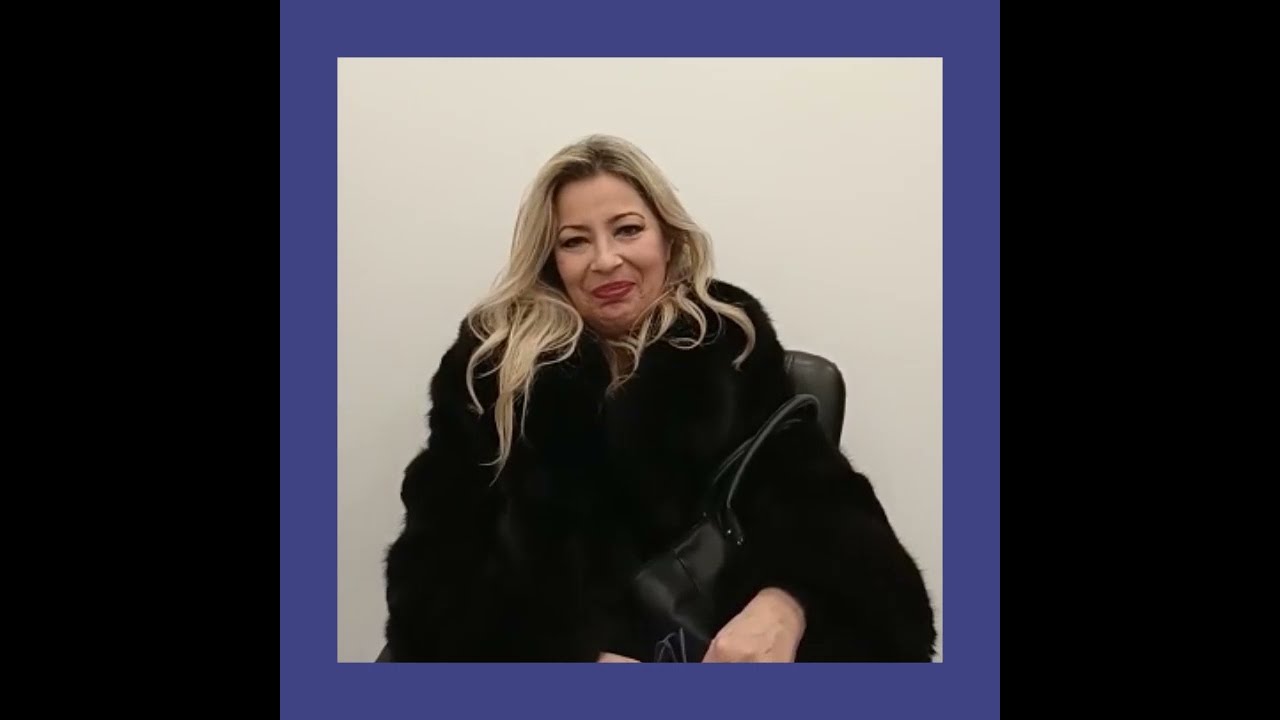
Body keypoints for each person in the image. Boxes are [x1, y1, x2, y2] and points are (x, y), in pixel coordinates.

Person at [381, 134, 937, 662]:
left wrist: (786, 605)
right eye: (574, 241)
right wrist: (562, 657)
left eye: (627, 230)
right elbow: (434, 570)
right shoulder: (493, 370)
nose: (605, 260)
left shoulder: (730, 348)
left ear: (667, 238)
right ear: (551, 262)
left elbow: (831, 518)